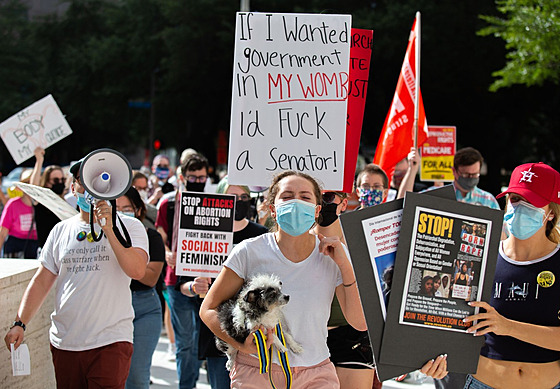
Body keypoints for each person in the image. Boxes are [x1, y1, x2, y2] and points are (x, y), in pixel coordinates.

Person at [200, 171, 448, 388]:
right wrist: (242, 343)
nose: (296, 202)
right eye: (287, 196)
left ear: (317, 209)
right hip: (257, 371)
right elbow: (208, 309)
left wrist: (344, 265)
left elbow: (360, 322)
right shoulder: (248, 251)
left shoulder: (334, 255)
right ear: (272, 207)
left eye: (305, 197)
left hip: (316, 373)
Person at [4, 157, 149, 388]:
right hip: (66, 343)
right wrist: (20, 323)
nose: (90, 189)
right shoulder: (61, 230)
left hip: (110, 342)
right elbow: (42, 281)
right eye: (84, 182)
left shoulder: (131, 227)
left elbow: (137, 270)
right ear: (73, 188)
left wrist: (108, 229)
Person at [459, 162, 560, 389]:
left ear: (551, 212)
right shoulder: (481, 257)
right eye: (514, 199)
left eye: (531, 201)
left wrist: (508, 327)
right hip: (482, 383)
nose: (520, 206)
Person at [179, 176, 268, 389]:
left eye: (244, 197)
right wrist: (193, 287)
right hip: (218, 330)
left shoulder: (261, 235)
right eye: (232, 197)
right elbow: (182, 284)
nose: (238, 201)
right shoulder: (202, 233)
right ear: (219, 199)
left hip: (253, 330)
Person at [156, 153, 209, 389]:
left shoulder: (214, 203)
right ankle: (187, 385)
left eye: (202, 177)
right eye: (192, 177)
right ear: (182, 176)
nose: (198, 181)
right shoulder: (168, 204)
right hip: (175, 279)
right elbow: (161, 236)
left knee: (201, 337)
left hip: (206, 281)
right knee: (185, 340)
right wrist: (167, 253)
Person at [118, 187, 165, 389]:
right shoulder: (103, 238)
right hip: (114, 307)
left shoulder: (151, 237)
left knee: (137, 375)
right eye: (116, 208)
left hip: (145, 307)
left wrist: (125, 258)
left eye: (127, 208)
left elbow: (150, 278)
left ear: (138, 210)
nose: (121, 213)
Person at [30, 147, 67, 251]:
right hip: (46, 252)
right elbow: (34, 188)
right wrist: (39, 160)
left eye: (62, 179)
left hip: (64, 251)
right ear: (46, 182)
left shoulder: (67, 202)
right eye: (56, 180)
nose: (60, 183)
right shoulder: (42, 202)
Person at [0, 169, 38, 258]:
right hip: (15, 247)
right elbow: (3, 232)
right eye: (27, 182)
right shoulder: (13, 204)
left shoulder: (42, 205)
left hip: (35, 246)